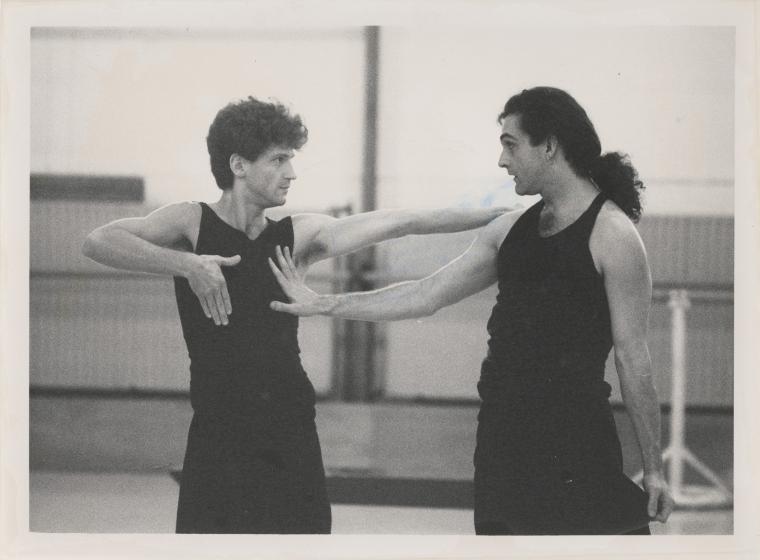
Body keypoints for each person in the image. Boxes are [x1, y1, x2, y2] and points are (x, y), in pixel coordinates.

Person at [81, 96, 507, 534]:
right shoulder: (191, 222)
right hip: (218, 428)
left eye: (292, 159)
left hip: (288, 426)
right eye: (279, 159)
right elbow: (99, 241)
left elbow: (403, 222)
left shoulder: (296, 235)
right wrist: (187, 264)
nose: (292, 172)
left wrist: (501, 214)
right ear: (239, 165)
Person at [268, 86, 675, 535]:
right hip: (501, 438)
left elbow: (634, 359)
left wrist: (654, 469)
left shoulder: (613, 235)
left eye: (510, 145)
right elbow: (426, 294)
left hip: (574, 440)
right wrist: (323, 303)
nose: (502, 161)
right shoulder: (508, 230)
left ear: (550, 146)